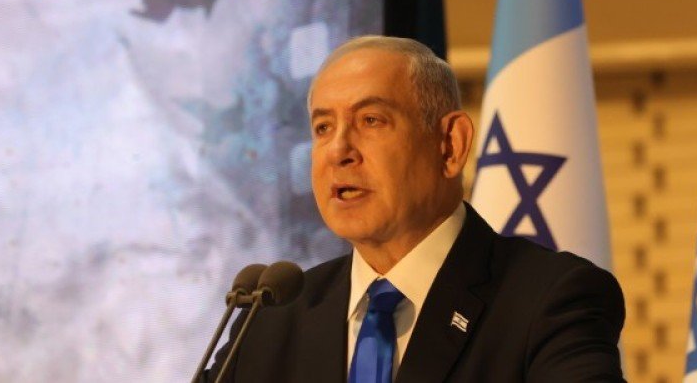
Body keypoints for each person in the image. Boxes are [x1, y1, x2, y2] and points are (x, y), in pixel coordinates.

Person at [208, 36, 625, 382]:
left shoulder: (549, 299)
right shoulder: (271, 322)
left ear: (450, 145)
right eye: (323, 127)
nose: (338, 150)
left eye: (371, 120)